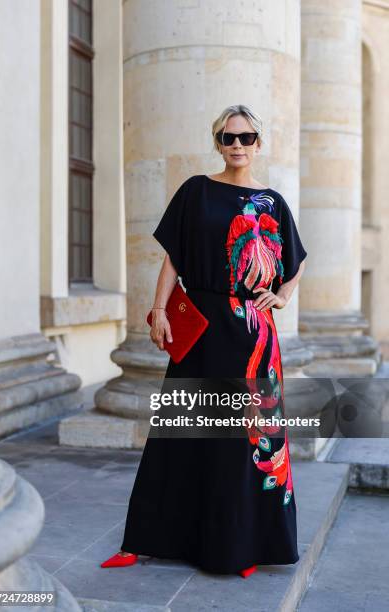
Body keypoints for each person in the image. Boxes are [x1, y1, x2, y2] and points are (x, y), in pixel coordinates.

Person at [100, 104, 307, 578]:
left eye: (247, 138)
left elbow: (295, 263)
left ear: (259, 143)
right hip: (202, 328)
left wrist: (280, 296)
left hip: (253, 333)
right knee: (178, 432)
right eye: (229, 138)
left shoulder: (273, 202)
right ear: (217, 142)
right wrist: (157, 310)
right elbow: (174, 260)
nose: (238, 146)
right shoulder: (196, 191)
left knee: (243, 441)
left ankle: (240, 546)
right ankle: (143, 541)